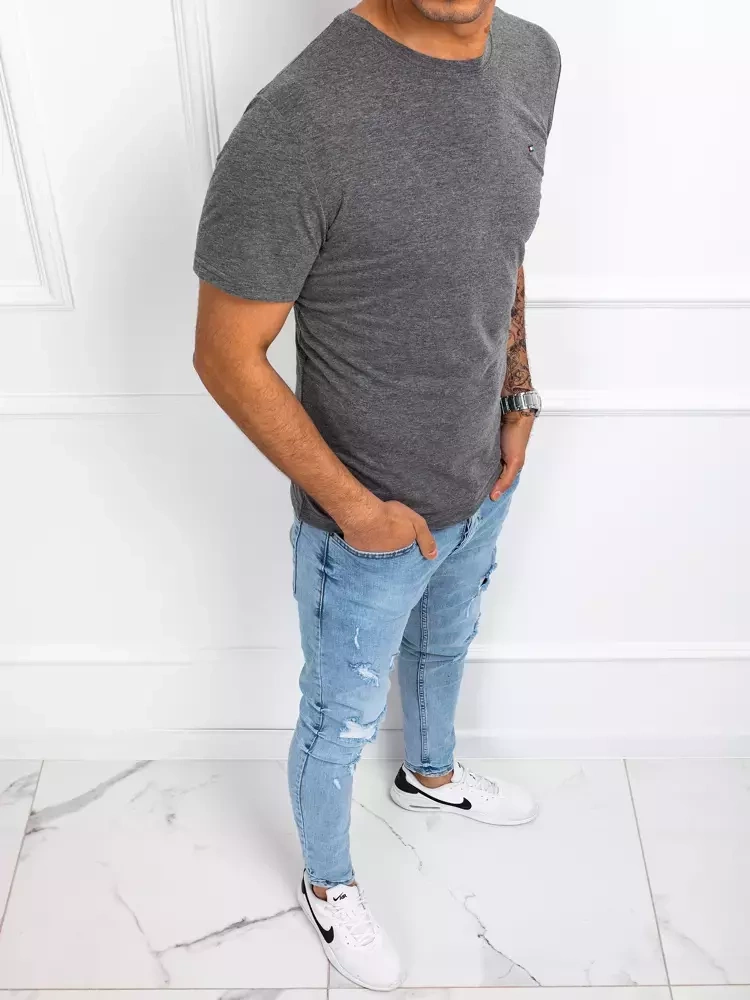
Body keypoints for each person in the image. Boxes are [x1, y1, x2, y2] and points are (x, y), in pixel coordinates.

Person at [192, 0, 561, 989]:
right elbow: (225, 354)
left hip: (481, 476)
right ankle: (328, 881)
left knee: (446, 645)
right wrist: (357, 509)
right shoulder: (299, 122)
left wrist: (518, 390)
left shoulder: (533, 59)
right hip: (364, 523)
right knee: (340, 716)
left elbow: (502, 244)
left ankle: (430, 774)